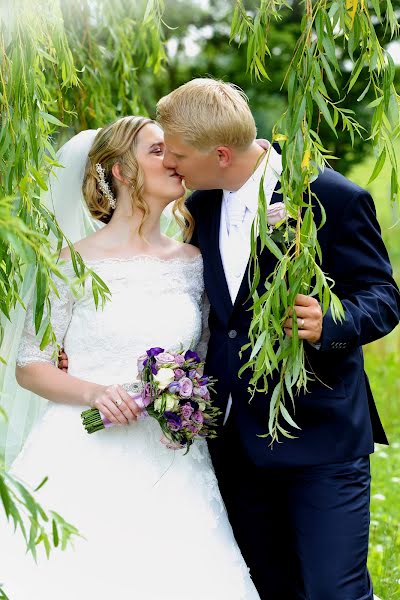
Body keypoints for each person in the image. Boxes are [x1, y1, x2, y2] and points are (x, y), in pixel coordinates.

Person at [155, 78, 400, 600]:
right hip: (235, 441)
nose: (171, 164)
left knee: (336, 591)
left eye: (177, 154)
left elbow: (381, 297)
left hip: (320, 436)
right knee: (267, 587)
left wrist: (331, 321)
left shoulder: (331, 197)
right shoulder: (205, 206)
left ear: (220, 153)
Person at [1, 116, 260, 600]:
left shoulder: (194, 263)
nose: (176, 162)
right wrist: (95, 392)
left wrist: (185, 405)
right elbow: (30, 364)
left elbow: (204, 359)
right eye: (158, 151)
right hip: (83, 450)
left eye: (177, 152)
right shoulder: (69, 263)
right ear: (120, 170)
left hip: (172, 459)